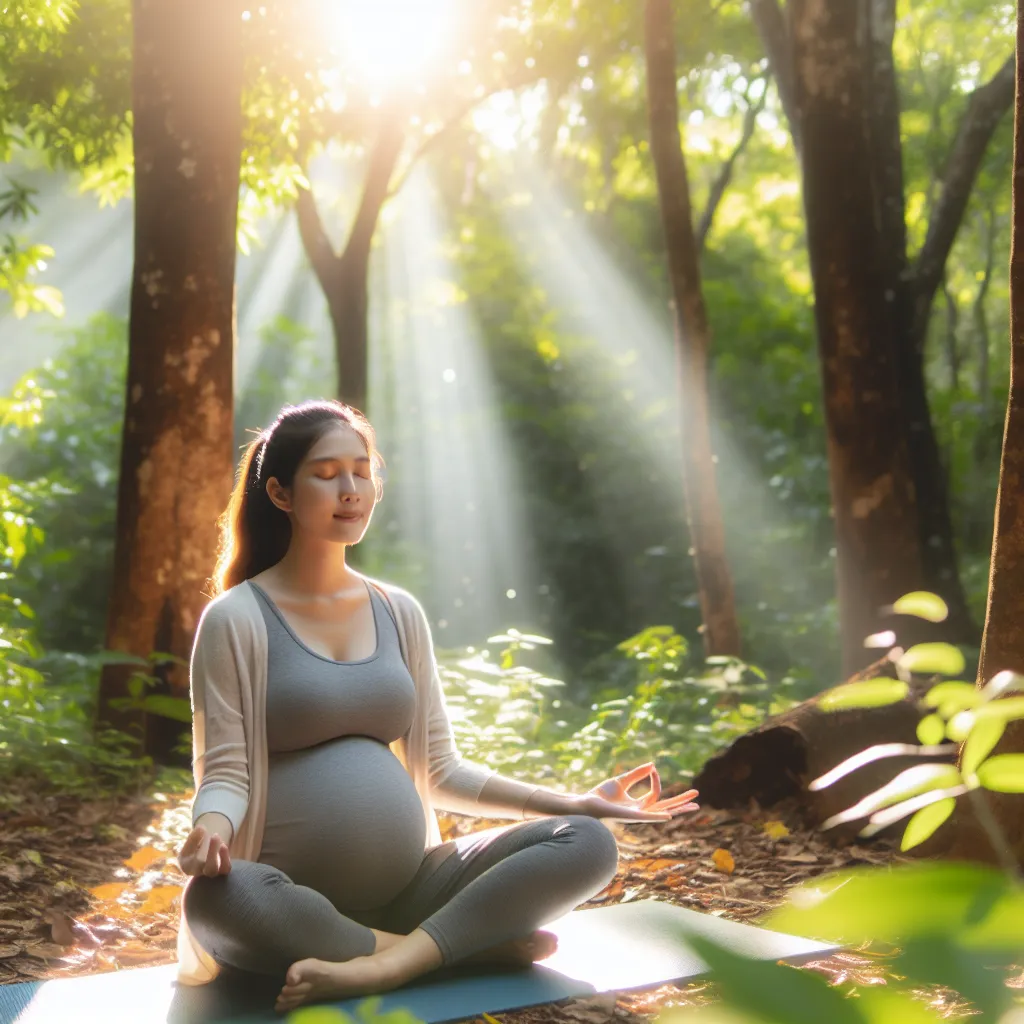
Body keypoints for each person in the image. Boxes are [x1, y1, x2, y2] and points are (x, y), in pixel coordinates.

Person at [174, 399, 700, 1014]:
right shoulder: (237, 618)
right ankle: (452, 951)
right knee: (219, 899)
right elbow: (227, 770)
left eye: (361, 470)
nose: (350, 489)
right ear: (280, 493)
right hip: (289, 897)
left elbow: (443, 770)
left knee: (585, 841)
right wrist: (211, 827)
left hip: (413, 890)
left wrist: (576, 801)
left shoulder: (398, 612)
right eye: (325, 473)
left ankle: (392, 961)